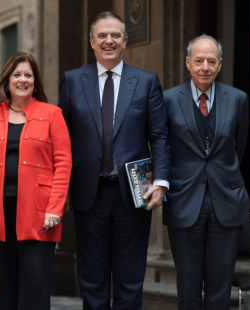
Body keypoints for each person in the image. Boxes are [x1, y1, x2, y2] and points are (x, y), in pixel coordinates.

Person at [58, 11, 170, 309]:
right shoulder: (72, 80)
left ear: (125, 40)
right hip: (87, 194)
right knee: (92, 281)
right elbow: (62, 140)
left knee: (130, 279)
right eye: (102, 36)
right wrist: (62, 189)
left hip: (132, 196)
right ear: (92, 41)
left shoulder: (146, 82)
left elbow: (159, 136)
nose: (109, 41)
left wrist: (160, 182)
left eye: (115, 35)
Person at [0, 52, 72, 310]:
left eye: (28, 75)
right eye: (17, 75)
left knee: (35, 289)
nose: (22, 80)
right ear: (7, 81)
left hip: (39, 215)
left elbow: (63, 164)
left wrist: (54, 209)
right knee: (6, 288)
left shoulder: (52, 114)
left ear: (35, 82)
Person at [163, 34, 250, 309]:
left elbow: (241, 146)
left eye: (211, 61)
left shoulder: (238, 99)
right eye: (199, 60)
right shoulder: (168, 100)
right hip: (184, 202)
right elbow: (163, 148)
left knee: (220, 285)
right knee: (187, 285)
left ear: (220, 64)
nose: (205, 67)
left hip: (226, 201)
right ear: (188, 63)